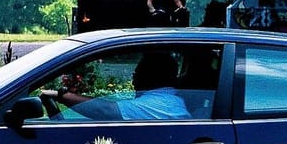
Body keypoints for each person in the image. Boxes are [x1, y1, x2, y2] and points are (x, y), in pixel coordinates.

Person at [39, 52, 188, 121]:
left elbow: (104, 110)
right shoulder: (168, 101)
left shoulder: (160, 104)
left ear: (153, 77)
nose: (133, 78)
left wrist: (61, 95)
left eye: (137, 72)